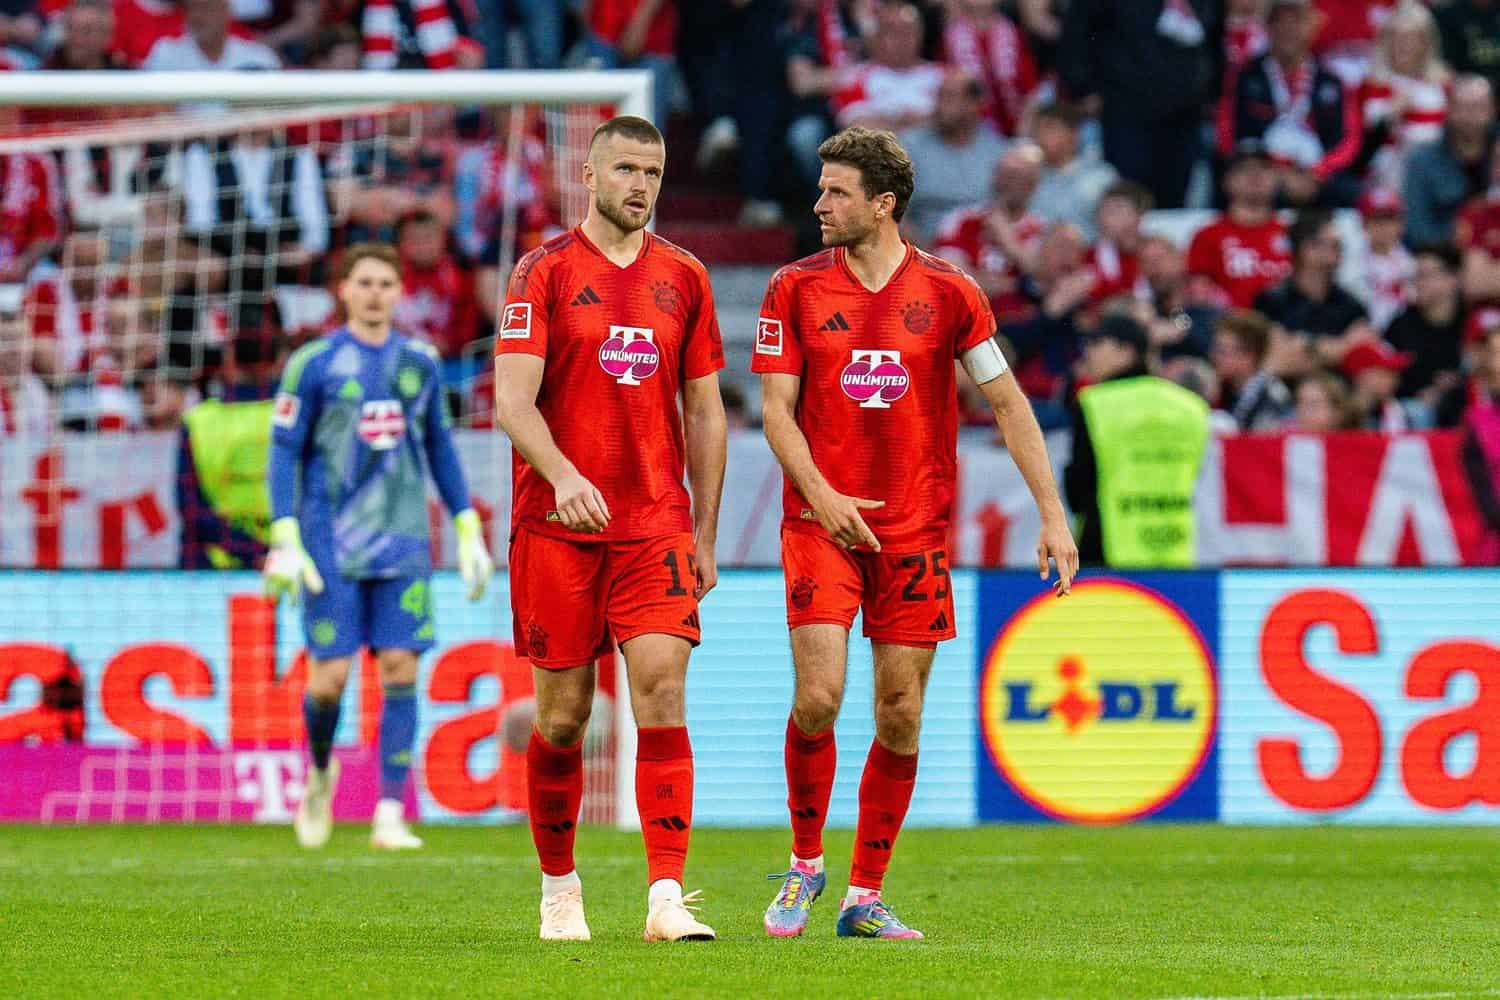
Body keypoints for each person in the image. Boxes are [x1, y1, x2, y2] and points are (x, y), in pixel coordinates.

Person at [753, 126, 1076, 940]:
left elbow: (1008, 403)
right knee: (819, 697)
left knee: (899, 712)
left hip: (915, 532)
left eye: (836, 191)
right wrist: (822, 494)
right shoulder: (794, 287)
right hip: (821, 524)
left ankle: (863, 896)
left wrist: (1052, 512)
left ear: (883, 204)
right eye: (821, 189)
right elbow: (776, 413)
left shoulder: (951, 291)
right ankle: (804, 866)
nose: (819, 204)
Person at [492, 116, 728, 944]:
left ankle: (666, 896)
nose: (641, 185)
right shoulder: (544, 271)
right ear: (589, 177)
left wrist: (703, 531)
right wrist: (563, 476)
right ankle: (560, 889)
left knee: (661, 690)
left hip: (654, 523)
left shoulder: (685, 277)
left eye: (653, 172)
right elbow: (511, 401)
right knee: (563, 718)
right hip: (555, 527)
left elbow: (705, 410)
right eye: (626, 169)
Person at [264, 242, 494, 853]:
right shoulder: (313, 363)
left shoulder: (419, 363)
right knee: (329, 680)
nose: (374, 293)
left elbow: (438, 445)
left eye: (385, 283)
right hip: (330, 543)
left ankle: (390, 811)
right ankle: (319, 773)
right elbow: (284, 449)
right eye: (364, 282)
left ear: (399, 292)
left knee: (401, 669)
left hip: (402, 542)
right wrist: (284, 531)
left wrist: (465, 522)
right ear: (343, 289)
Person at [1065, 313, 1211, 566]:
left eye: (1097, 343)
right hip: (1174, 547)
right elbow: (1197, 473)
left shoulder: (1094, 404)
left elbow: (1079, 489)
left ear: (1127, 351)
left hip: (1106, 548)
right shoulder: (1191, 407)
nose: (1089, 353)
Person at [1058, 0, 1219, 209]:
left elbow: (1214, 39)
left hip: (1185, 111)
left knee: (1175, 193)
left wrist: (1212, 93)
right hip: (1127, 106)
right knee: (1128, 190)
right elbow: (1078, 30)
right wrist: (1083, 88)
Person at [1220, 0, 1362, 208]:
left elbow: (1349, 140)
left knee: (1356, 194)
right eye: (1281, 21)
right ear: (1268, 26)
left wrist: (1317, 172)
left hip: (1318, 175)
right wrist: (1272, 170)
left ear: (1313, 27)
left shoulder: (1332, 81)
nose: (1289, 29)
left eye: (1297, 21)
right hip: (1259, 172)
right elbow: (1227, 134)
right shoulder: (1245, 76)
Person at [897, 68, 1009, 246]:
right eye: (939, 96)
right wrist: (928, 255)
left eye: (950, 97)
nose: (939, 105)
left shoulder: (998, 151)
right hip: (925, 247)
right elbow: (892, 213)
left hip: (985, 250)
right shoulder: (909, 147)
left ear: (975, 104)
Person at [1253, 209, 1374, 365]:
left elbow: (1361, 353)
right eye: (1334, 245)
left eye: (1339, 246)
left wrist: (1304, 344)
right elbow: (1272, 356)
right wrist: (1337, 347)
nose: (1339, 252)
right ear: (1306, 248)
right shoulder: (1271, 300)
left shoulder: (1352, 305)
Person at [1187, 141, 1293, 308]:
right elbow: (1199, 297)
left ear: (1276, 178)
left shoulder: (1292, 233)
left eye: (1264, 168)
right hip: (1228, 322)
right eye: (1243, 169)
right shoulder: (1207, 235)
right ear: (1226, 181)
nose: (1254, 175)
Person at [1404, 75, 1495, 246]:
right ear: (1449, 110)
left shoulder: (1497, 153)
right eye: (1462, 107)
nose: (1470, 115)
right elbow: (1417, 228)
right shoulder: (1422, 160)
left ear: (1492, 110)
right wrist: (1457, 238)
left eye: (1478, 107)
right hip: (1442, 253)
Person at [1209, 307, 1293, 430]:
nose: (1214, 356)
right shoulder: (1220, 388)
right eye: (1215, 348)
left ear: (1249, 356)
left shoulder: (1273, 396)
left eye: (1222, 351)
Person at [1351, 187, 1413, 332]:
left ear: (1401, 224)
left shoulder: (1411, 264)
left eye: (1389, 219)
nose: (1383, 227)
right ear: (1363, 224)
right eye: (1376, 220)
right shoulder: (1350, 263)